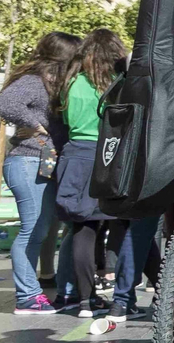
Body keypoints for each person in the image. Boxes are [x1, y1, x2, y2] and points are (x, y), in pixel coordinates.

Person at [0, 31, 80, 314]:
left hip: (39, 163)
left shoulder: (53, 84)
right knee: (33, 230)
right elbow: (6, 103)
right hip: (27, 161)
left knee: (41, 230)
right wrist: (37, 125)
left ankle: (32, 292)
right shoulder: (33, 81)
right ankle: (27, 297)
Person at [49, 30, 129, 316]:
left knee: (82, 228)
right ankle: (121, 294)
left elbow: (64, 120)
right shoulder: (118, 84)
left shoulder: (71, 82)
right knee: (120, 223)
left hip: (75, 155)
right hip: (109, 154)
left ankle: (84, 301)